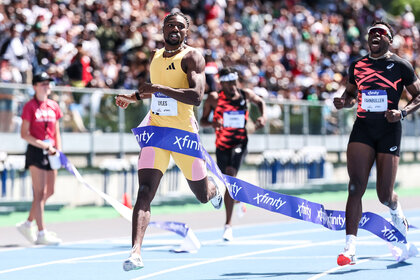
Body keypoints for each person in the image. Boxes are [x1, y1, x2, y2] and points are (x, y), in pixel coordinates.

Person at [115, 12, 223, 271]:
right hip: (157, 132)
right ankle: (136, 253)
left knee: (202, 195)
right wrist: (134, 97)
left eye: (180, 26)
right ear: (162, 29)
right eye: (170, 25)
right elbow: (153, 92)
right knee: (144, 191)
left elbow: (196, 96)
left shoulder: (192, 56)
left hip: (184, 135)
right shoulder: (154, 56)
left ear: (187, 31)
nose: (174, 29)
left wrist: (158, 89)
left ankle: (215, 188)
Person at [333, 20, 420, 266]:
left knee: (384, 194)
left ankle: (396, 212)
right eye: (372, 32)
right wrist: (343, 101)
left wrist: (401, 113)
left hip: (389, 130)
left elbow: (419, 95)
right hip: (363, 128)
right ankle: (349, 247)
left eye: (381, 33)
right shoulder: (357, 66)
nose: (375, 36)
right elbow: (350, 94)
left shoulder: (401, 65)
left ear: (389, 40)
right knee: (355, 186)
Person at [200, 67, 266, 241]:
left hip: (240, 143)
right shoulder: (214, 98)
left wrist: (262, 117)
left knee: (231, 176)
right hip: (222, 145)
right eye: (227, 83)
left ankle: (227, 226)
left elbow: (260, 102)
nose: (232, 86)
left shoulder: (245, 95)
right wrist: (213, 124)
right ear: (221, 83)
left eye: (233, 82)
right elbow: (203, 121)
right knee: (226, 183)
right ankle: (238, 200)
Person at [16, 72, 63, 245]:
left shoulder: (53, 106)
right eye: (43, 83)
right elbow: (24, 134)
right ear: (35, 86)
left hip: (52, 152)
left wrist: (59, 150)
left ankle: (28, 223)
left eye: (48, 83)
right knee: (40, 193)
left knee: (49, 191)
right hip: (36, 151)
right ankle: (41, 233)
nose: (47, 86)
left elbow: (56, 131)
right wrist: (45, 146)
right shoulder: (30, 106)